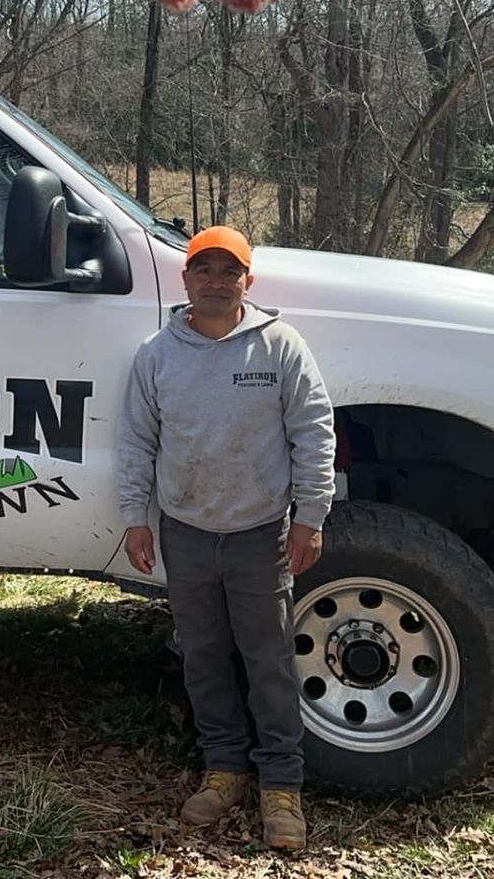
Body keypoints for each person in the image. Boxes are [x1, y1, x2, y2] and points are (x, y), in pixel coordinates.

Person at [115, 225, 336, 851]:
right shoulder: (157, 354)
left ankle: (282, 788)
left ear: (248, 281)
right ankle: (224, 771)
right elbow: (137, 441)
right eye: (203, 270)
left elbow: (314, 434)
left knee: (268, 662)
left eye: (228, 270)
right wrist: (137, 516)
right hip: (184, 532)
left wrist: (310, 517)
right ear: (185, 279)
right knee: (203, 655)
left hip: (260, 535)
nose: (216, 281)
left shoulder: (281, 347)